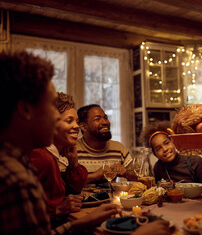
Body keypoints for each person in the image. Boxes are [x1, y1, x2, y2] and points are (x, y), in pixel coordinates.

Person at [0, 51, 121, 234]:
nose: (57, 115)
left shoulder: (17, 164)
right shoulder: (17, 180)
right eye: (50, 105)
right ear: (25, 109)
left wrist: (78, 223)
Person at [29, 92, 87, 226]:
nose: (77, 126)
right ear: (51, 123)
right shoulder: (41, 157)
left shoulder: (53, 156)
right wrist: (57, 209)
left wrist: (74, 163)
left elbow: (73, 191)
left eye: (77, 121)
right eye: (69, 120)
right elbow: (20, 207)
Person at [140, 121, 202, 191]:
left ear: (173, 142)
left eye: (166, 143)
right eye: (158, 148)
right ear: (155, 154)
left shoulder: (195, 162)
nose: (165, 149)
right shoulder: (158, 167)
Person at [76, 104, 137, 183]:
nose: (105, 122)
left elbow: (138, 178)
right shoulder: (73, 150)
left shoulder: (119, 148)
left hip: (112, 195)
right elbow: (64, 184)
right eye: (97, 119)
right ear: (84, 127)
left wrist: (126, 173)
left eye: (106, 118)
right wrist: (95, 176)